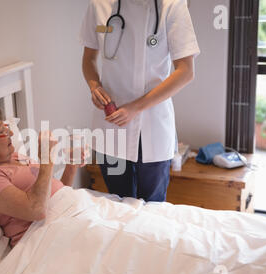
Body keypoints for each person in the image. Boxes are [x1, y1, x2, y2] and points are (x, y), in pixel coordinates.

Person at [80, 0, 200, 202]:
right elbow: (89, 58)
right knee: (118, 204)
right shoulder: (99, 4)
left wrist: (135, 108)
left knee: (153, 209)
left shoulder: (172, 5)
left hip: (153, 124)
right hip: (111, 124)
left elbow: (186, 71)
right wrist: (94, 86)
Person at [0, 104, 83, 247]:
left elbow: (56, 196)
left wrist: (71, 166)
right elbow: (37, 210)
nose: (11, 134)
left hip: (69, 217)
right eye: (2, 131)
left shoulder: (18, 157)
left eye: (6, 127)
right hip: (44, 240)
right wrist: (46, 160)